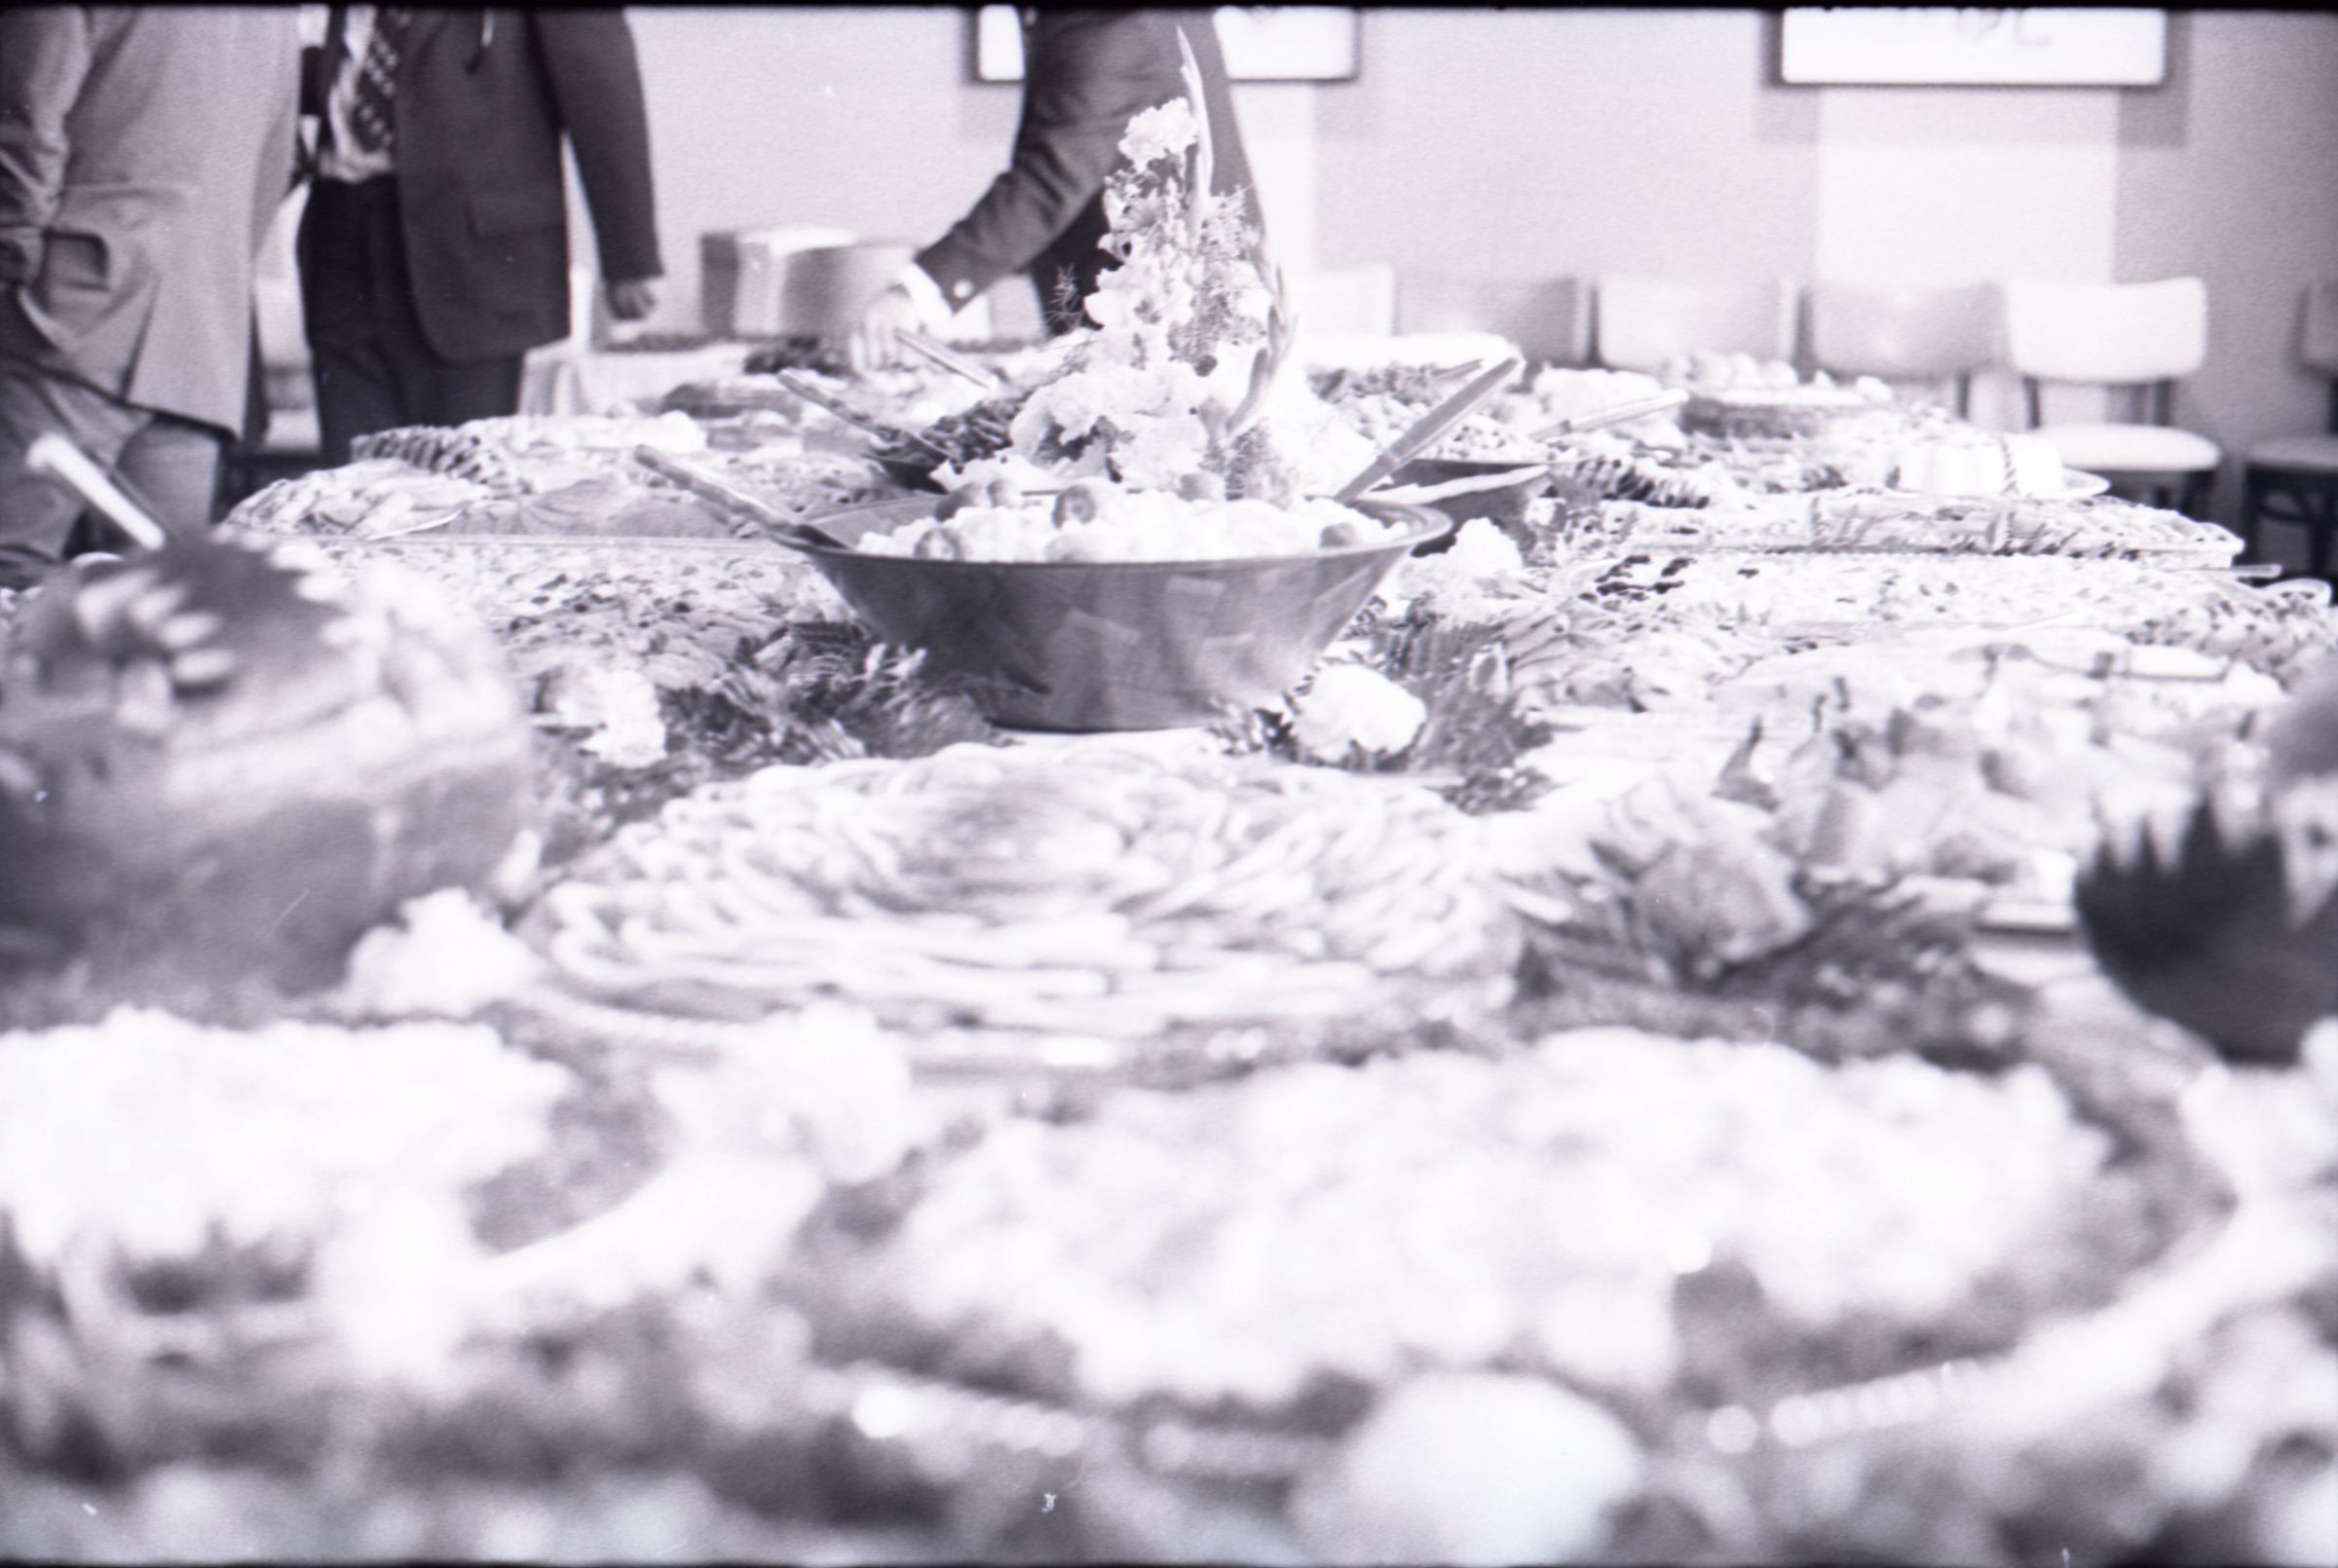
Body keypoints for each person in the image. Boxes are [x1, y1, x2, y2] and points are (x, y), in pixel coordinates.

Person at [0, 7, 303, 589]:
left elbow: (24, 120)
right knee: (164, 595)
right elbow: (277, 163)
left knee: (9, 562)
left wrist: (13, 258)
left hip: (66, 310)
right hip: (198, 335)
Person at [297, 8, 663, 465]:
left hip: (470, 256)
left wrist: (631, 258)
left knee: (459, 472)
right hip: (340, 233)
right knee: (348, 471)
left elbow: (602, 89)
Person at [851, 9, 1255, 370]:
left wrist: (919, 291)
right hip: (1172, 311)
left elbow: (1048, 180)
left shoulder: (1107, 21)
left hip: (1166, 333)